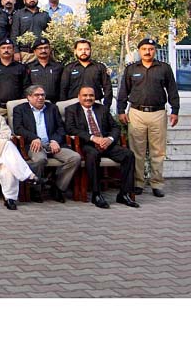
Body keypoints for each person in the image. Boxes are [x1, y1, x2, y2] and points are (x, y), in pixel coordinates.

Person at [117, 37, 180, 198]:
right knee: (136, 151)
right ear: (139, 51)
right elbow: (123, 91)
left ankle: (157, 183)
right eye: (144, 49)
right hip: (136, 113)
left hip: (158, 113)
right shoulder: (131, 69)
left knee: (157, 152)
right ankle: (138, 183)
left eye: (151, 49)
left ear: (155, 51)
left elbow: (172, 90)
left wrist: (175, 110)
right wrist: (121, 110)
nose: (147, 52)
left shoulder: (164, 68)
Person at [64, 86, 139, 209]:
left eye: (91, 95)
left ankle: (124, 194)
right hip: (87, 144)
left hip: (106, 144)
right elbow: (71, 129)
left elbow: (115, 127)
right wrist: (93, 138)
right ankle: (96, 194)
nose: (88, 98)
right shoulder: (71, 110)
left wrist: (109, 140)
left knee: (128, 155)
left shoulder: (102, 109)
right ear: (79, 97)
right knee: (93, 155)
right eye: (85, 95)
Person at [12, 85, 82, 203]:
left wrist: (55, 140)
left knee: (75, 157)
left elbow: (61, 128)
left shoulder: (52, 108)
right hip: (34, 144)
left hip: (53, 144)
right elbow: (18, 128)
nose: (40, 97)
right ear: (29, 97)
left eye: (42, 95)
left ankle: (58, 187)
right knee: (40, 160)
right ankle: (36, 189)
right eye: (37, 95)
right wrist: (34, 137)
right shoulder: (20, 109)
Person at [60, 39, 113, 110]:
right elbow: (63, 89)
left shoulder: (100, 67)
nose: (83, 52)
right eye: (80, 49)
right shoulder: (69, 68)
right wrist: (65, 106)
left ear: (90, 50)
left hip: (95, 105)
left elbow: (107, 88)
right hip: (73, 105)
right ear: (75, 51)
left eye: (86, 49)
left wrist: (106, 106)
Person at [10, 0, 50, 64]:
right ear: (24, 0)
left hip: (41, 53)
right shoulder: (18, 14)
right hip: (24, 53)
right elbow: (14, 34)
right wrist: (16, 52)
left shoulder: (44, 14)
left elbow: (50, 34)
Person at [0, 38, 28, 111]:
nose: (6, 50)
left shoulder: (21, 67)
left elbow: (26, 87)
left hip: (17, 107)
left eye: (9, 48)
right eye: (3, 48)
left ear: (13, 50)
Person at [25, 37, 63, 103]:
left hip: (55, 103)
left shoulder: (58, 67)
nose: (43, 51)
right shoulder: (29, 67)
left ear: (50, 49)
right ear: (35, 51)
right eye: (40, 48)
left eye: (46, 48)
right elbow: (26, 86)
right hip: (35, 103)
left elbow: (63, 86)